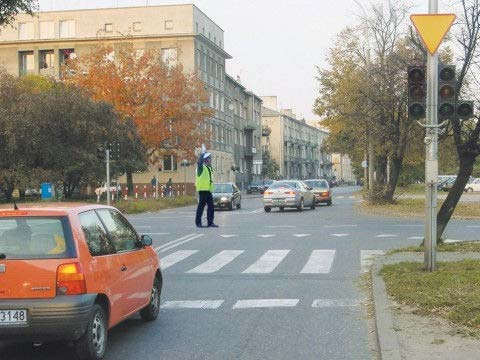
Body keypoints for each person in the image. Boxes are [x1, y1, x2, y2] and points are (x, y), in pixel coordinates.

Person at [195, 151, 218, 228]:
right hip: (202, 190)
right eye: (209, 158)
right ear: (205, 159)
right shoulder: (201, 167)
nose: (210, 160)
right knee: (201, 206)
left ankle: (210, 222)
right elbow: (199, 163)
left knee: (211, 206)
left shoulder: (208, 168)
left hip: (208, 190)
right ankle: (198, 223)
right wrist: (202, 155)